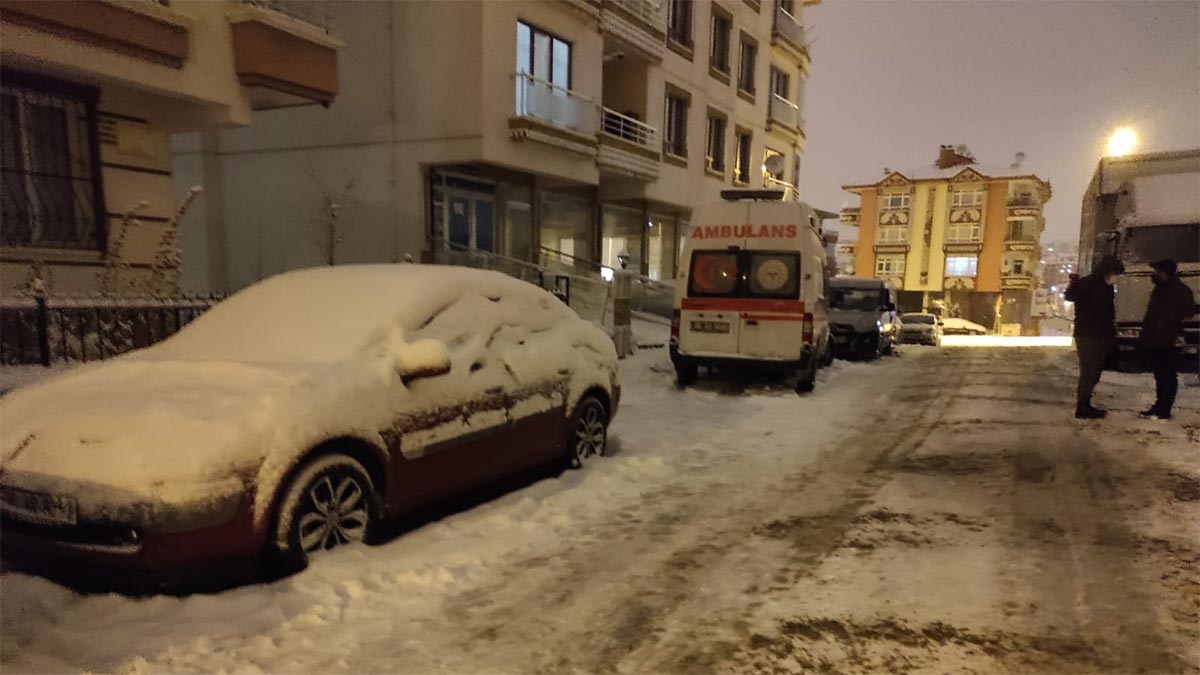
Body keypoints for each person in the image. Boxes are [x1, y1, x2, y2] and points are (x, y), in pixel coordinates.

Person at [1064, 255, 1125, 419]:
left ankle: (1085, 403)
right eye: (1115, 273)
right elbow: (1069, 296)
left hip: (1101, 334)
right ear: (1107, 271)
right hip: (1087, 334)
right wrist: (1073, 283)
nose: (1115, 277)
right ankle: (1082, 406)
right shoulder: (1087, 283)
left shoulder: (1106, 287)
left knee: (1094, 371)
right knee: (1089, 371)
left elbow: (1108, 312)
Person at [1137, 259, 1197, 420]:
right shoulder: (1160, 289)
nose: (1154, 274)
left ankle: (1164, 409)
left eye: (1157, 271)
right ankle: (1159, 406)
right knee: (1160, 374)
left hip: (1168, 339)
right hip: (1156, 338)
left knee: (1167, 374)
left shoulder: (1179, 290)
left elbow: (1189, 311)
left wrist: (1169, 321)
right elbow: (1151, 315)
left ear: (1165, 273)